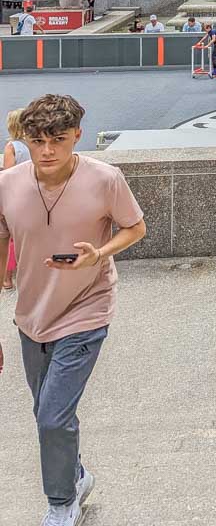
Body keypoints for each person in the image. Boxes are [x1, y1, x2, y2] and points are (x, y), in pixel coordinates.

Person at [0, 94, 146, 523]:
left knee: (51, 415)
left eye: (57, 140)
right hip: (32, 315)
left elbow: (135, 228)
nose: (46, 151)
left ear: (77, 137)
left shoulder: (105, 178)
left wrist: (100, 253)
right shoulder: (7, 183)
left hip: (86, 310)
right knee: (47, 412)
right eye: (37, 140)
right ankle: (76, 474)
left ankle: (62, 502)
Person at [2, 108, 28, 291]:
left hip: (15, 196)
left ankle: (7, 279)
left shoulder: (12, 147)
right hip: (32, 195)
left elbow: (9, 174)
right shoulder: (34, 144)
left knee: (8, 238)